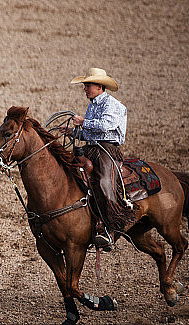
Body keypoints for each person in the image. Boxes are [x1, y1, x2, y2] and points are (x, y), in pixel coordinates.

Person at [67, 68, 129, 249]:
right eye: (85, 86)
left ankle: (111, 228)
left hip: (107, 150)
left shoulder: (112, 104)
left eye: (88, 86)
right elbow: (90, 133)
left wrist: (83, 122)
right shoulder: (93, 104)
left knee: (104, 181)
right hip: (92, 147)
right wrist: (74, 132)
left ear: (100, 86)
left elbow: (107, 125)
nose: (85, 89)